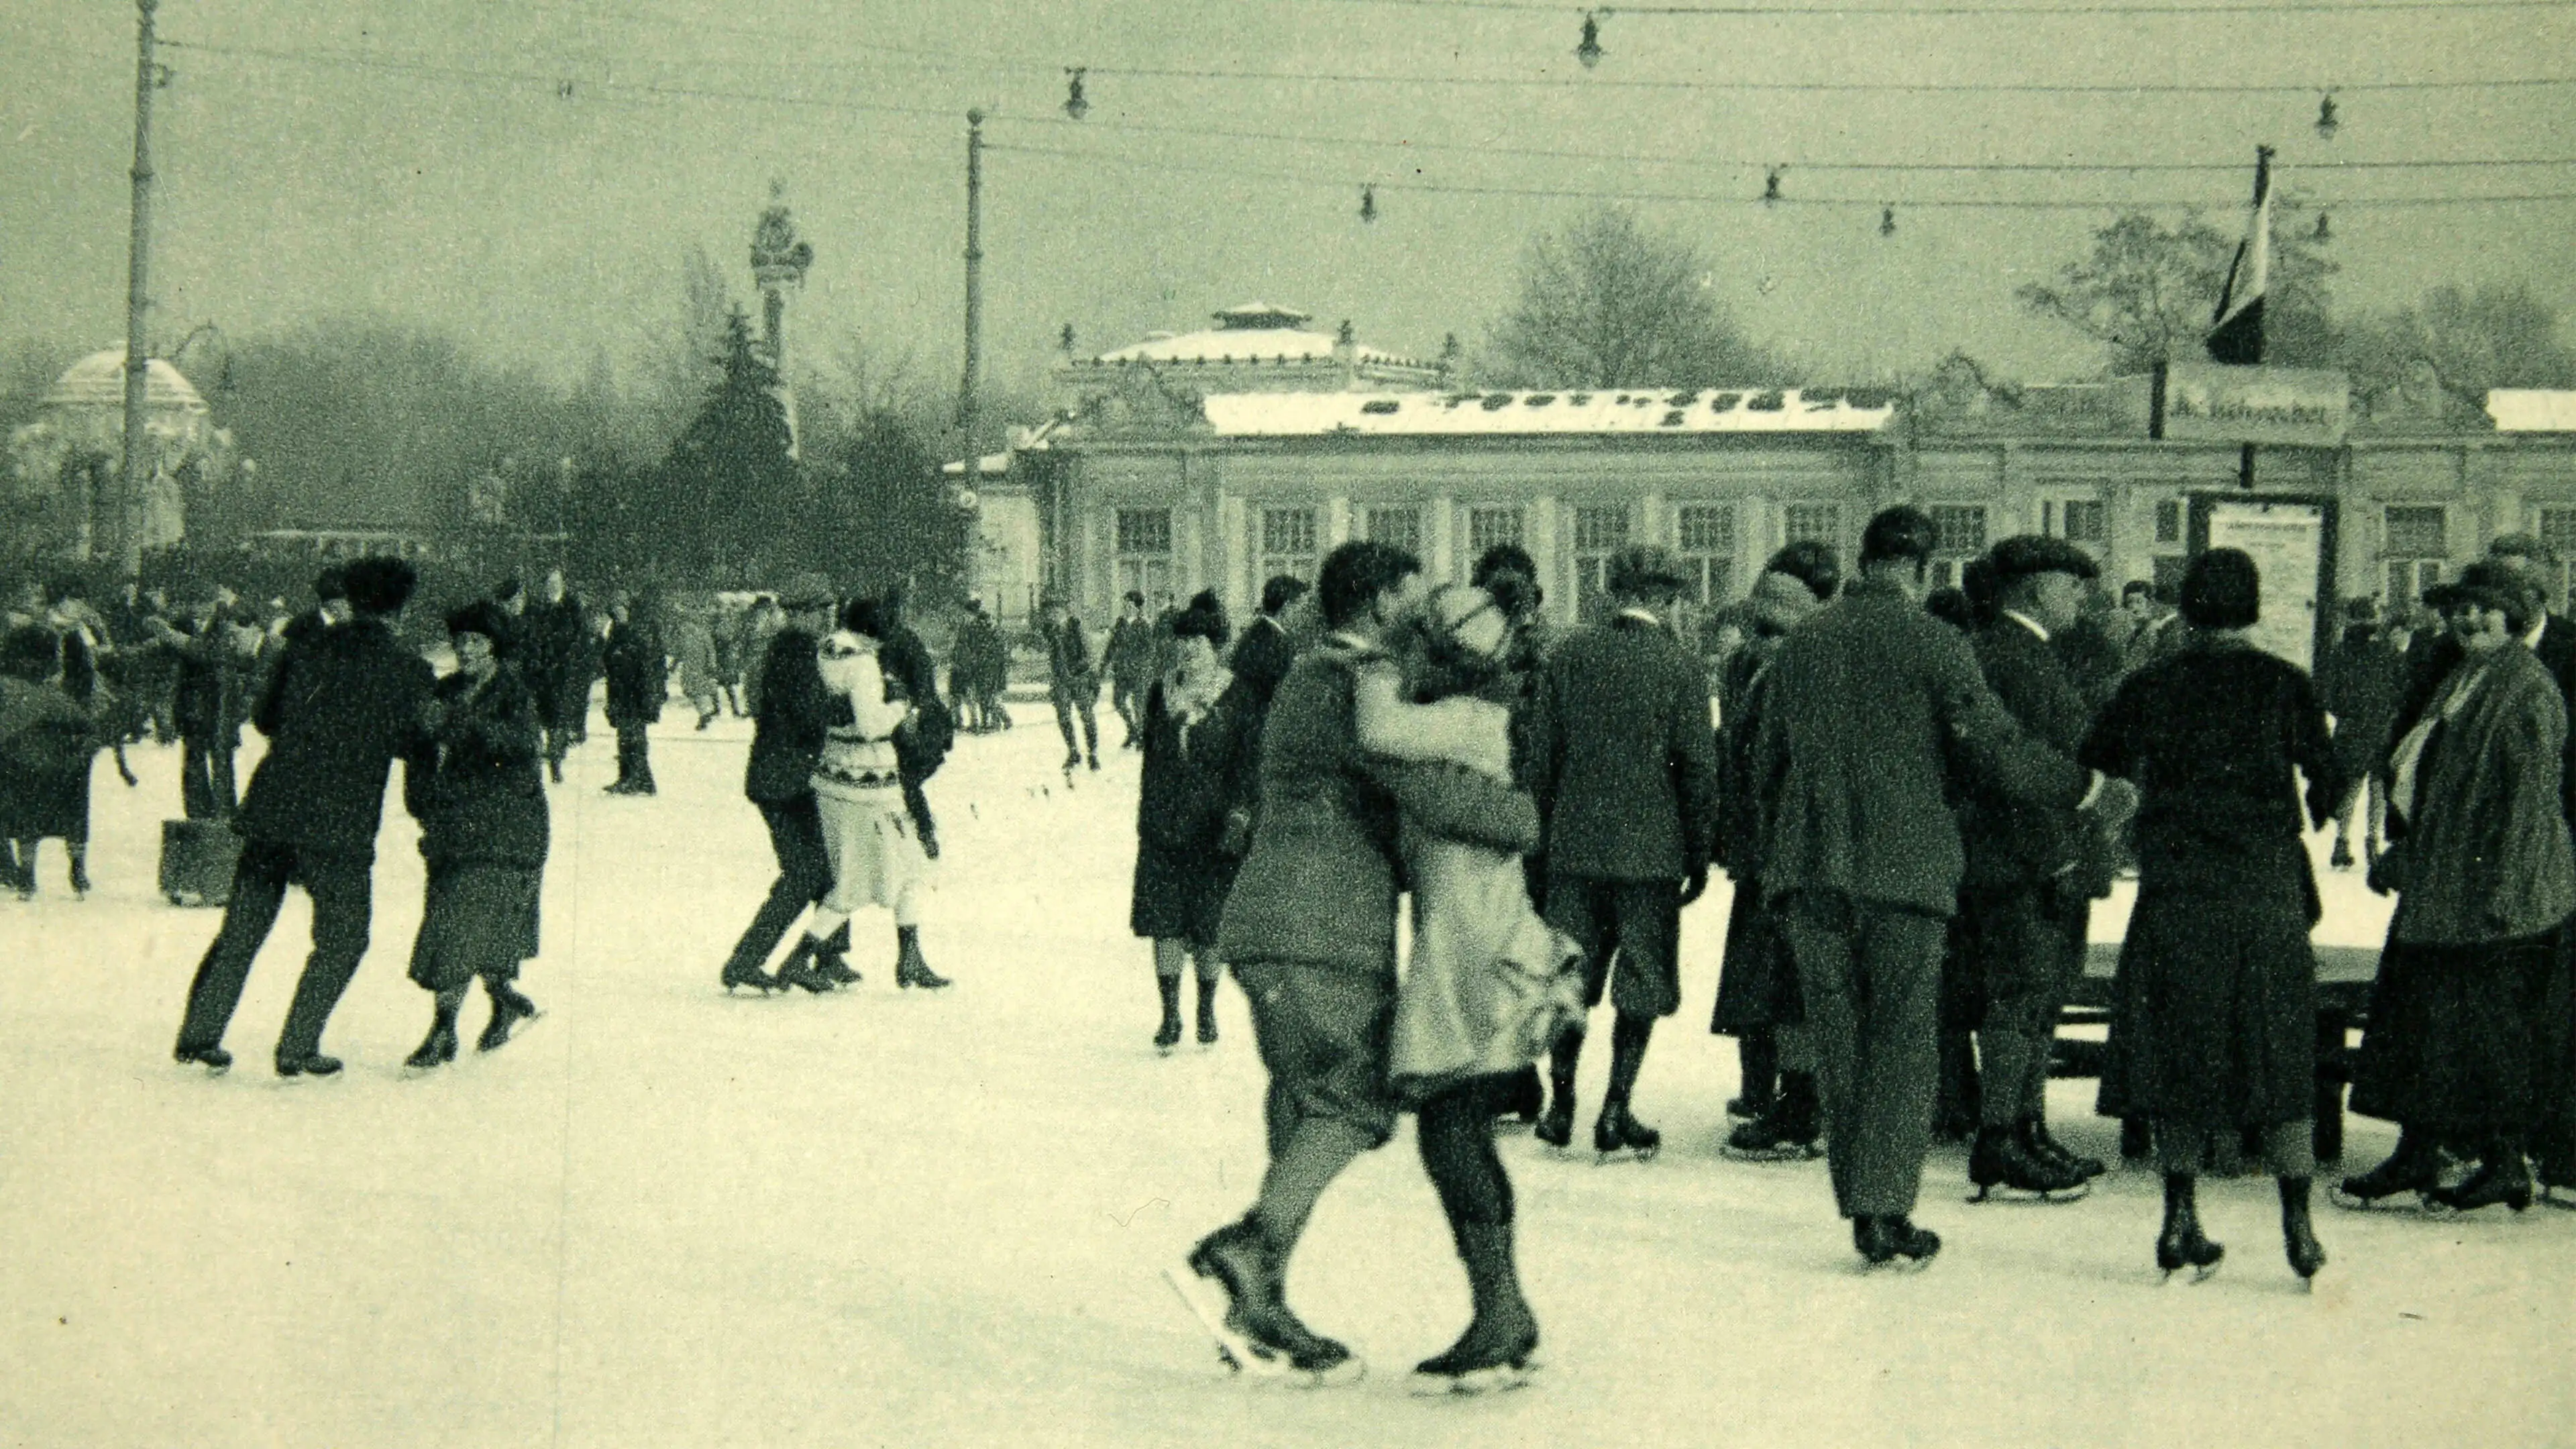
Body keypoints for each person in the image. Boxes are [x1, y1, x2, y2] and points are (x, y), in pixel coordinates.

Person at [1751, 507, 2127, 1269]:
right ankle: (1887, 1209)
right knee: (1901, 1041)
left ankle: (1861, 1206)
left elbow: (1763, 767)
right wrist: (2089, 789)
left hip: (1811, 873)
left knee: (1840, 1044)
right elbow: (1997, 749)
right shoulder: (1936, 642)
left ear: (1866, 559)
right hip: (1905, 874)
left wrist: (1777, 857)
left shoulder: (1804, 644)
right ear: (1924, 569)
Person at [1167, 541, 1433, 1385]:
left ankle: (1259, 1305)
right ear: (1381, 600)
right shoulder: (1360, 680)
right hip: (1321, 928)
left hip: (1270, 919)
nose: (1420, 609)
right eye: (1411, 595)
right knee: (1358, 1097)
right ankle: (1250, 1254)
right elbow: (1414, 786)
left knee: (1300, 1101)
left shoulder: (1307, 675)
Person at [2082, 549, 2339, 1284]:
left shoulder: (2152, 683)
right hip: (2264, 891)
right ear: (2253, 607)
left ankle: (2178, 1219)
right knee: (2279, 1045)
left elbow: (2097, 759)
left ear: (2187, 606)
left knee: (2179, 1045)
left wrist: (2136, 815)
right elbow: (2327, 776)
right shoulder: (2283, 682)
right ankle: (2298, 1227)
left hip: (2178, 888)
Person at [1371, 577, 1579, 1394]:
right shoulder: (1476, 718)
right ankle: (1503, 1308)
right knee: (1456, 1126)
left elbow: (1375, 729)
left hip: (1470, 948)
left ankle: (1500, 1313)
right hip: (1474, 934)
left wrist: (1371, 663)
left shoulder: (1461, 721)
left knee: (1451, 1124)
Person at [2344, 561, 2576, 1213]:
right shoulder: (2464, 675)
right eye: (2461, 610)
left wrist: (2504, 893)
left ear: (2515, 616)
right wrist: (2409, 850)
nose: (2470, 620)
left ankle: (2504, 1164)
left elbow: (2529, 803)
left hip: (2496, 893)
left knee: (2485, 1031)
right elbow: (2436, 776)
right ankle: (2418, 1154)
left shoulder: (2526, 689)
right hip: (2446, 880)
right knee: (2423, 1022)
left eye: (2486, 609)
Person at [171, 557, 435, 1077]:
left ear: (352, 602)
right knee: (343, 938)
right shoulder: (409, 669)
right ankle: (297, 1046)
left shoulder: (305, 651)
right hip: (340, 821)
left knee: (242, 929)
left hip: (275, 805)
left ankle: (199, 1035)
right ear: (401, 610)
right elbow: (415, 744)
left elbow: (264, 718)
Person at [1525, 543, 1722, 1161]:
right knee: (1642, 981)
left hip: (1574, 850)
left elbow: (1540, 762)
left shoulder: (1568, 655)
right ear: (1665, 599)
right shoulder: (1679, 665)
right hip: (1650, 855)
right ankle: (1616, 1109)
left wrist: (1543, 843)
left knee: (1570, 977)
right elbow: (1697, 770)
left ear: (1613, 591)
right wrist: (1697, 852)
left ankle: (1560, 1107)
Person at [1954, 535, 2113, 1201]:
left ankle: (2026, 1127)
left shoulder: (2021, 653)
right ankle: (2001, 1139)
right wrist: (2062, 857)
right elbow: (2013, 772)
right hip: (2026, 864)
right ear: (2031, 589)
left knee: (2038, 1001)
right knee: (2019, 1001)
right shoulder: (2013, 657)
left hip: (2036, 862)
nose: (2080, 595)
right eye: (2068, 583)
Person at [1714, 549, 1837, 1159]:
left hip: (1789, 856)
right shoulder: (1758, 672)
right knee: (1769, 977)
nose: (1755, 641)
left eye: (1769, 630)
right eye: (1755, 628)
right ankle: (1776, 1093)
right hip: (1767, 855)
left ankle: (1800, 1107)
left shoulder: (1800, 678)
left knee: (1789, 981)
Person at [398, 602, 546, 1070]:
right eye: (460, 642)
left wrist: (458, 724)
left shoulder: (514, 693)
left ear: (496, 648)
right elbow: (420, 751)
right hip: (453, 827)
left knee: (462, 926)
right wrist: (422, 795)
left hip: (505, 830)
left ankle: (443, 1030)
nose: (466, 650)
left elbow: (520, 747)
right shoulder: (444, 690)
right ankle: (503, 1000)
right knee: (457, 925)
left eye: (477, 642)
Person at [789, 598, 949, 990]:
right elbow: (870, 724)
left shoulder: (826, 650)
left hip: (833, 775)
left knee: (858, 878)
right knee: (905, 871)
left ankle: (908, 959)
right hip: (869, 782)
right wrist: (898, 705)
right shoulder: (861, 661)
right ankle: (802, 959)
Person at [716, 575, 851, 996]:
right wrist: (854, 706)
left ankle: (829, 956)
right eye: (823, 611)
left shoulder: (788, 650)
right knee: (804, 874)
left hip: (786, 776)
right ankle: (745, 961)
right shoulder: (794, 653)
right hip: (784, 781)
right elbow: (810, 712)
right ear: (803, 614)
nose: (829, 617)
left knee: (826, 867)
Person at [1129, 592, 1249, 1051]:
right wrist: (1147, 817)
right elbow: (1152, 759)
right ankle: (1170, 1014)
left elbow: (1245, 763)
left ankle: (1205, 1008)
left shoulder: (1236, 694)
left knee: (1207, 926)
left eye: (1198, 642)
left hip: (1214, 829)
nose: (1189, 650)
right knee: (1165, 923)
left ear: (1215, 645)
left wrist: (1240, 816)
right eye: (1182, 641)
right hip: (1163, 827)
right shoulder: (1163, 690)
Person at [0, 626, 104, 900]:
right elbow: (89, 726)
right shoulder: (57, 695)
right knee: (74, 819)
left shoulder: (11, 689)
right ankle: (78, 869)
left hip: (23, 766)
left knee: (25, 822)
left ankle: (26, 875)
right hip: (67, 769)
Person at [151, 588, 260, 822]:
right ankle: (198, 816)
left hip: (220, 705)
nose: (197, 608)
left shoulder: (225, 628)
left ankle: (223, 818)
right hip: (193, 707)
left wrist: (167, 633)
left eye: (202, 601)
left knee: (221, 764)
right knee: (193, 762)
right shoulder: (184, 626)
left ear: (213, 604)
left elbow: (204, 653)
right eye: (192, 601)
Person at [2318, 598, 2407, 871]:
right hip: (2382, 728)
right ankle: (2372, 843)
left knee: (2350, 787)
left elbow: (2328, 694)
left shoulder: (2339, 653)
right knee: (2378, 789)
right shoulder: (2389, 651)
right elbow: (2403, 689)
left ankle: (2342, 842)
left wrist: (2348, 712)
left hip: (2352, 729)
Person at [600, 591, 665, 796]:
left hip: (636, 691)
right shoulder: (618, 630)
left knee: (633, 736)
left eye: (621, 607)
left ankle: (635, 778)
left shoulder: (637, 630)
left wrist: (650, 693)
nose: (618, 611)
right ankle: (636, 778)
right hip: (622, 690)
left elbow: (645, 662)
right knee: (626, 735)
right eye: (615, 608)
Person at [1230, 574, 1309, 719]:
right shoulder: (1274, 643)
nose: (1305, 615)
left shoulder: (1258, 632)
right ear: (1288, 607)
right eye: (1302, 608)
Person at [1040, 592, 1102, 773]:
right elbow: (1053, 656)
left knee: (1088, 717)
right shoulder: (1051, 631)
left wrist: (1081, 672)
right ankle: (1073, 752)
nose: (1053, 616)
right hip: (1061, 681)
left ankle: (1093, 754)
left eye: (1056, 612)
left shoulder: (1077, 627)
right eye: (1050, 613)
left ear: (1064, 611)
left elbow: (1089, 654)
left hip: (1080, 679)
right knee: (1064, 718)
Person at [1104, 590, 1159, 749]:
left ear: (1137, 606)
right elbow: (1112, 645)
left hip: (1139, 672)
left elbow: (1149, 650)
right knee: (1118, 701)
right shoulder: (1121, 622)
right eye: (1124, 603)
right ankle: (1133, 730)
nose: (1125, 607)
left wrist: (1139, 665)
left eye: (1128, 604)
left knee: (1138, 706)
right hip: (1121, 671)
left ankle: (1141, 736)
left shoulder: (1144, 624)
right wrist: (1105, 665)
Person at [671, 598, 722, 731]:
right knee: (692, 690)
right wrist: (674, 665)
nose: (685, 625)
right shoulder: (687, 636)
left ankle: (705, 713)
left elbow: (711, 651)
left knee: (698, 690)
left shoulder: (701, 634)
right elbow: (680, 652)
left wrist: (712, 664)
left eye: (687, 623)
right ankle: (708, 710)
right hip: (691, 666)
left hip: (699, 666)